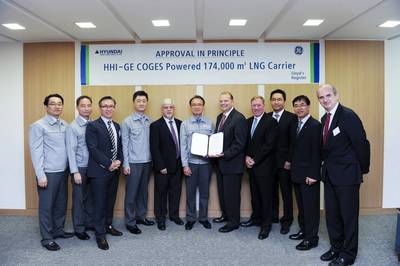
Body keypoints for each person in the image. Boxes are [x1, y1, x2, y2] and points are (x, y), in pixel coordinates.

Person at [318, 84, 370, 266]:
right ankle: (336, 247)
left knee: (348, 217)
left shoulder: (348, 116)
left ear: (336, 95)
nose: (325, 100)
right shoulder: (324, 118)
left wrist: (359, 170)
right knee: (332, 216)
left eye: (328, 95)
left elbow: (362, 144)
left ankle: (348, 254)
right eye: (321, 97)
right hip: (330, 175)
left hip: (348, 176)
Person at [29, 93, 73, 251]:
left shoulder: (65, 124)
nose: (57, 106)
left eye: (59, 103)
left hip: (63, 171)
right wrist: (41, 175)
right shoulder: (38, 126)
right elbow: (36, 152)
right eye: (53, 104)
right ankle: (47, 238)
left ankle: (58, 230)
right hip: (48, 173)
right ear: (46, 106)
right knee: (47, 206)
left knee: (61, 204)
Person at [86, 96, 123, 250]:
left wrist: (119, 161)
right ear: (100, 108)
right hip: (99, 171)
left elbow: (119, 146)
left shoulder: (117, 125)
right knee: (99, 204)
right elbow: (93, 149)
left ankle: (108, 226)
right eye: (105, 106)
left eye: (111, 106)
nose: (108, 108)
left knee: (110, 201)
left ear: (114, 107)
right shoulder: (93, 126)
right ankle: (100, 234)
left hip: (114, 171)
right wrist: (109, 163)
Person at [241, 96, 278, 239]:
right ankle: (256, 219)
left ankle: (265, 226)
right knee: (255, 196)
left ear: (263, 106)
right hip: (251, 167)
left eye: (258, 105)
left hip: (265, 167)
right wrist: (246, 157)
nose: (256, 108)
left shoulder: (271, 121)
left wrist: (254, 159)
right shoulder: (248, 121)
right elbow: (245, 143)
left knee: (266, 198)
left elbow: (269, 145)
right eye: (253, 105)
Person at [287, 95, 321, 251]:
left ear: (308, 107)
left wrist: (313, 174)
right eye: (296, 105)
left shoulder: (315, 125)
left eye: (302, 105)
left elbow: (317, 153)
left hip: (309, 175)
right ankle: (304, 231)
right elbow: (293, 147)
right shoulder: (295, 123)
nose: (299, 108)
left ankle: (311, 238)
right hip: (297, 173)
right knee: (301, 206)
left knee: (311, 209)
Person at [211, 91, 247, 233]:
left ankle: (233, 222)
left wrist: (224, 154)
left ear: (232, 101)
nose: (223, 103)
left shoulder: (239, 118)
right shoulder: (220, 117)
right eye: (221, 101)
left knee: (232, 195)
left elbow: (240, 143)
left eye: (226, 101)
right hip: (220, 163)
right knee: (223, 193)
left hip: (232, 164)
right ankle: (225, 216)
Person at [121, 91, 154, 235]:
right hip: (133, 163)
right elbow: (124, 144)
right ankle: (130, 222)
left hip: (147, 162)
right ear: (134, 103)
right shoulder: (127, 121)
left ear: (146, 103)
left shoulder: (149, 120)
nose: (141, 103)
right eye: (138, 101)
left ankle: (141, 217)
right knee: (131, 194)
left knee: (143, 192)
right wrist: (126, 164)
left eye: (144, 101)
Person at [180, 95, 214, 230]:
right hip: (191, 164)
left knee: (205, 193)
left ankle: (204, 218)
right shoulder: (185, 124)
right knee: (190, 193)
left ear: (203, 106)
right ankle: (190, 218)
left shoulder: (210, 123)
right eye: (194, 104)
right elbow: (183, 146)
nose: (197, 106)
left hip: (206, 164)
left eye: (199, 104)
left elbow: (214, 143)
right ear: (191, 107)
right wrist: (185, 165)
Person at [150, 98, 183, 230]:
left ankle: (174, 215)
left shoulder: (181, 124)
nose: (168, 110)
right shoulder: (155, 125)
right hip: (162, 167)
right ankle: (161, 218)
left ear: (174, 109)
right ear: (162, 109)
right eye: (165, 107)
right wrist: (160, 166)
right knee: (160, 193)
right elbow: (154, 148)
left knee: (176, 192)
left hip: (178, 165)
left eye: (170, 107)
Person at [267, 89, 296, 234]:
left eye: (279, 99)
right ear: (270, 101)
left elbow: (293, 142)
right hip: (268, 163)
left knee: (286, 193)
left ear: (284, 101)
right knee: (271, 192)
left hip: (284, 163)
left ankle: (287, 220)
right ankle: (273, 217)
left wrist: (289, 160)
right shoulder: (266, 117)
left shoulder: (292, 117)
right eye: (273, 99)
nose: (276, 102)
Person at [66, 95, 94, 241]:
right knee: (79, 199)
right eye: (83, 105)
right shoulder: (73, 127)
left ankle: (89, 223)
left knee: (90, 198)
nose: (86, 108)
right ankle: (79, 228)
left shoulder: (94, 123)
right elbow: (70, 151)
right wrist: (75, 171)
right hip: (80, 168)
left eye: (89, 105)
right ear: (77, 107)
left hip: (93, 167)